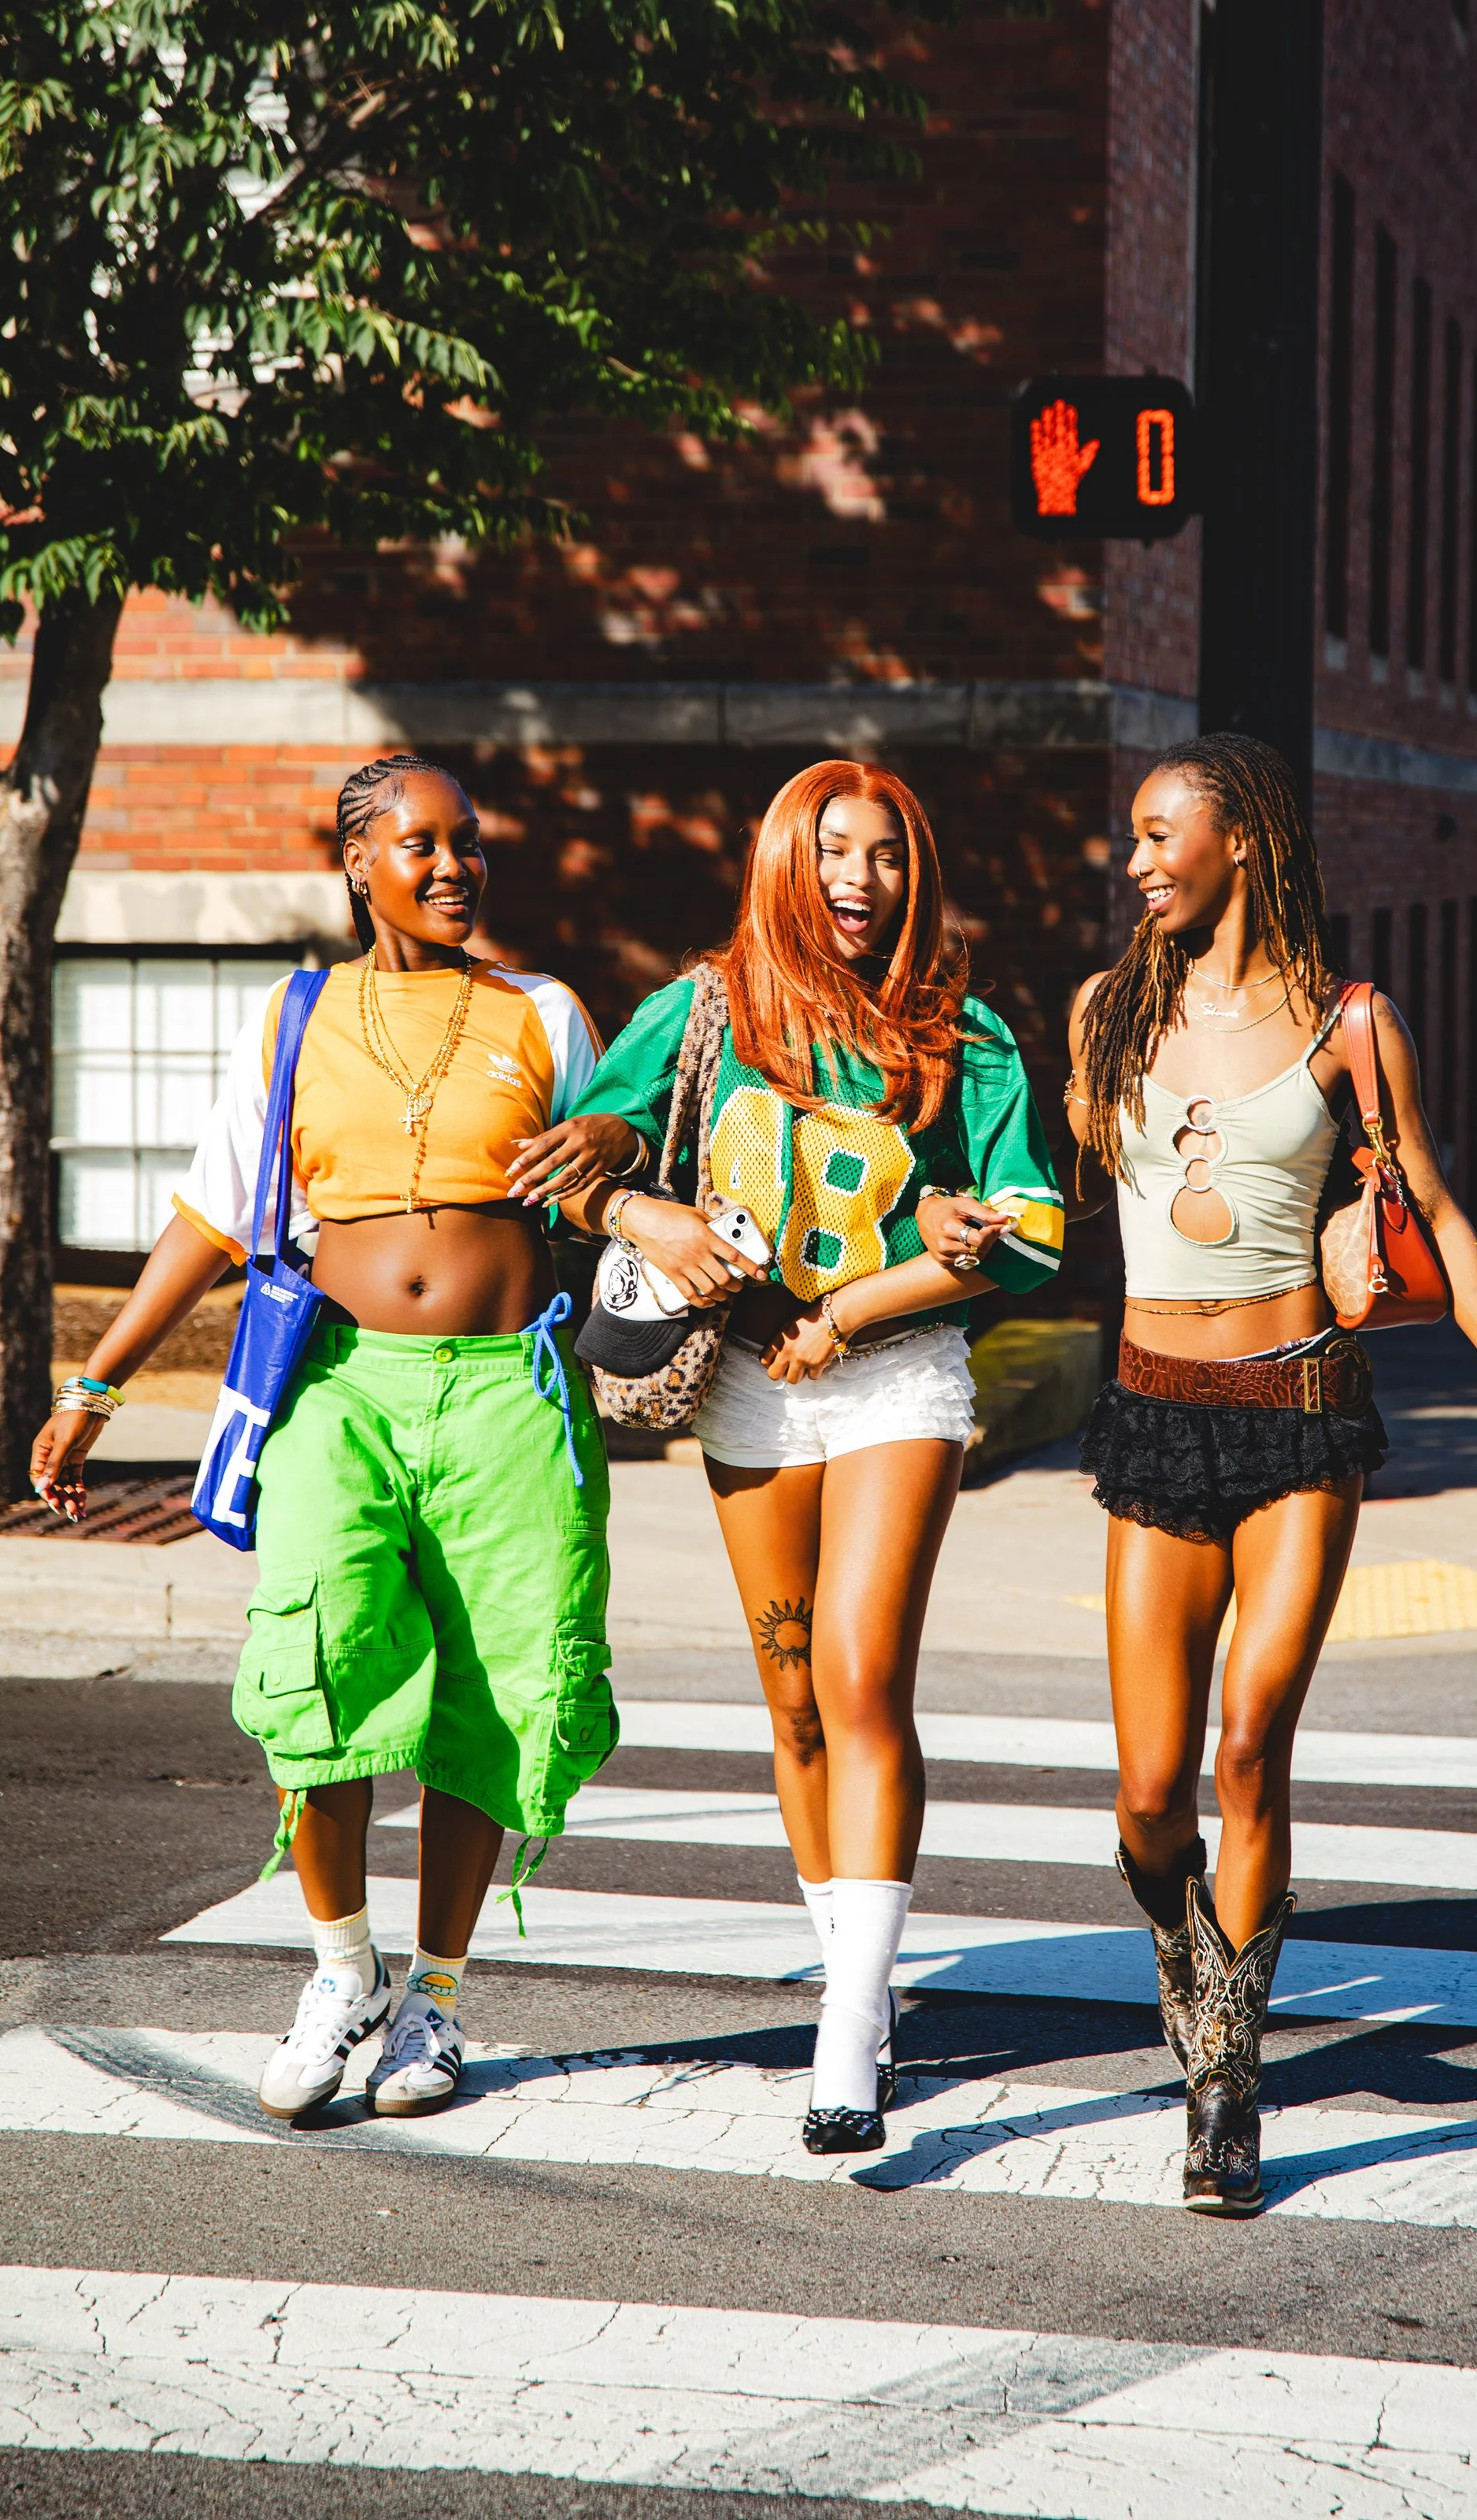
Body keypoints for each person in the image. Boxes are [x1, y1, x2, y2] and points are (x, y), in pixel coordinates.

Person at [28, 755, 639, 2124]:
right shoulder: (295, 1014)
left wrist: (615, 1140)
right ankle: (340, 1970)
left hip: (508, 1395)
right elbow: (211, 1214)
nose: (453, 865)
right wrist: (99, 1381)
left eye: (469, 842)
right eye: (419, 843)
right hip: (340, 1391)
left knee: (497, 1690)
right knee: (312, 1672)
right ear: (358, 860)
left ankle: (436, 1996)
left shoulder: (541, 1011)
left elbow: (619, 1188)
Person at [517, 760, 1064, 2153]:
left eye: (887, 853)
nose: (863, 879)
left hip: (898, 1381)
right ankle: (857, 1975)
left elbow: (1040, 1231)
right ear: (787, 861)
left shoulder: (964, 1031)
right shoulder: (709, 1008)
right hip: (749, 1389)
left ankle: (849, 2025)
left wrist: (892, 1282)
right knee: (792, 1690)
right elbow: (597, 1162)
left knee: (861, 1672)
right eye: (836, 851)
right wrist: (646, 1210)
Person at [1067, 732, 1477, 2217]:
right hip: (1153, 1413)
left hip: (1301, 1413)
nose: (1142, 857)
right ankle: (1183, 1950)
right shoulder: (1104, 1014)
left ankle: (1225, 2080)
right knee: (1152, 1790)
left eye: (1167, 833)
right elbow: (1080, 1199)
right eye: (1136, 836)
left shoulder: (1352, 1023)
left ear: (1245, 842)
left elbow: (1443, 1212)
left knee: (1246, 1746)